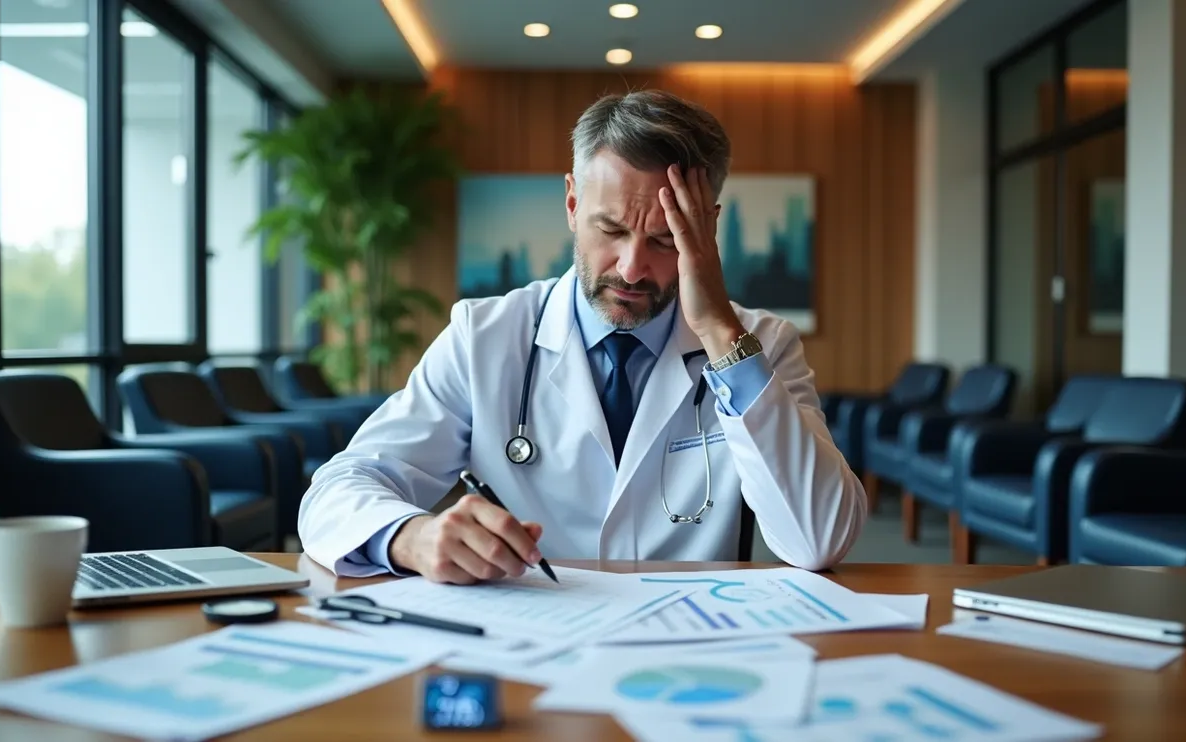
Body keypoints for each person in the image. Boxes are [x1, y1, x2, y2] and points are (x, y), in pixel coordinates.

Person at [298, 89, 867, 583]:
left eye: (665, 240)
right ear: (572, 203)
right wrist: (411, 538)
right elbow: (337, 490)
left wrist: (720, 332)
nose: (631, 268)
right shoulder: (485, 336)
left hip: (686, 645)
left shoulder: (759, 344)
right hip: (528, 640)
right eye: (611, 230)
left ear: (707, 228)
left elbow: (819, 539)